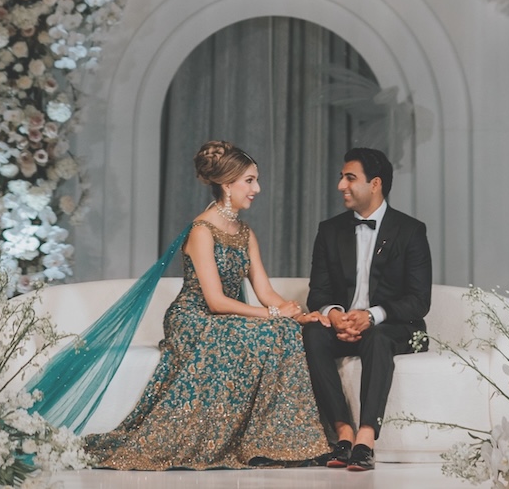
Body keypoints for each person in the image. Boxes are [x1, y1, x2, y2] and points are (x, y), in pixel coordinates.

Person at [84, 140, 331, 470]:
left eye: (256, 180)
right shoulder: (202, 230)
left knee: (285, 330)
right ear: (227, 185)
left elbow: (265, 291)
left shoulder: (245, 233)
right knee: (272, 329)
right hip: (192, 318)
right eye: (249, 180)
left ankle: (278, 442)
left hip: (226, 317)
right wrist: (272, 314)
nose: (257, 189)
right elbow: (215, 301)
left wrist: (297, 314)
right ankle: (267, 442)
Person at [303, 147, 432, 473]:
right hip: (343, 326)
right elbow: (317, 293)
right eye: (341, 177)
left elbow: (419, 301)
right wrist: (334, 314)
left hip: (391, 327)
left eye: (350, 178)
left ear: (375, 184)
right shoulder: (329, 230)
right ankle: (343, 433)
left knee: (376, 337)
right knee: (313, 333)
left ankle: (366, 438)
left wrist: (371, 316)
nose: (340, 185)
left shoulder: (411, 231)